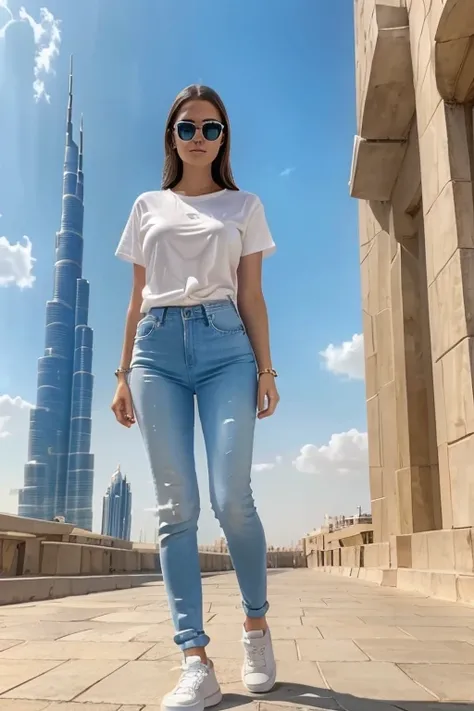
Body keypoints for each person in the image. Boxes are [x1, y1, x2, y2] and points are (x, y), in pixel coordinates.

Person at [112, 84, 280, 711]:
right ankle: (194, 659)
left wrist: (267, 370)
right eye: (189, 128)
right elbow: (136, 298)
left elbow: (252, 295)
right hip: (156, 352)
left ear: (223, 138)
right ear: (171, 136)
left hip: (226, 348)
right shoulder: (147, 205)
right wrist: (122, 374)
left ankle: (257, 628)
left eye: (212, 129)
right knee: (174, 507)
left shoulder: (245, 206)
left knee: (231, 495)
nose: (200, 139)